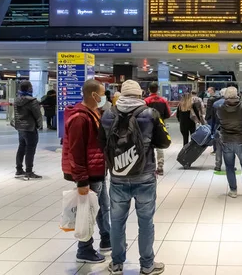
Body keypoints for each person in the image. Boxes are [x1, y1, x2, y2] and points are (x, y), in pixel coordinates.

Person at [100, 80, 171, 275]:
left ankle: (116, 264)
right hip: (145, 176)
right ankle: (147, 265)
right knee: (146, 221)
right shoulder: (150, 114)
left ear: (121, 94)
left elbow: (101, 143)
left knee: (117, 221)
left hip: (117, 177)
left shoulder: (107, 114)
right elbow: (165, 142)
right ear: (139, 95)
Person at [61, 79, 110, 264]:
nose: (105, 97)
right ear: (94, 95)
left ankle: (107, 239)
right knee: (88, 211)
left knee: (102, 208)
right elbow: (76, 151)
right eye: (103, 93)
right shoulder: (80, 118)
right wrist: (81, 180)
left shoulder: (93, 113)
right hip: (88, 173)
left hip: (97, 169)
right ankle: (84, 249)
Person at [216, 87, 242, 198]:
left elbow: (219, 120)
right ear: (236, 95)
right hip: (241, 139)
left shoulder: (220, 108)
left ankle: (233, 190)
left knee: (229, 166)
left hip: (226, 140)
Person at [14, 81, 43, 179]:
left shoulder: (16, 100)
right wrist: (39, 125)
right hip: (30, 128)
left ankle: (19, 169)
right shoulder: (32, 101)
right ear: (29, 88)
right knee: (30, 149)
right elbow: (37, 115)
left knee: (21, 148)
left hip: (20, 128)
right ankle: (29, 171)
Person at [144, 82, 172, 176]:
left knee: (147, 145)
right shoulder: (163, 100)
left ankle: (148, 167)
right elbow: (168, 114)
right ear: (157, 89)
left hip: (148, 126)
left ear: (149, 90)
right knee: (159, 146)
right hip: (160, 125)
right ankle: (160, 167)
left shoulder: (146, 101)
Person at [205, 87, 220, 153]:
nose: (208, 92)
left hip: (210, 118)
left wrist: (206, 118)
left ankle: (215, 149)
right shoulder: (218, 98)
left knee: (212, 133)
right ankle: (217, 148)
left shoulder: (210, 99)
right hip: (217, 117)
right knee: (216, 132)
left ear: (212, 91)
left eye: (209, 91)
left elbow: (208, 110)